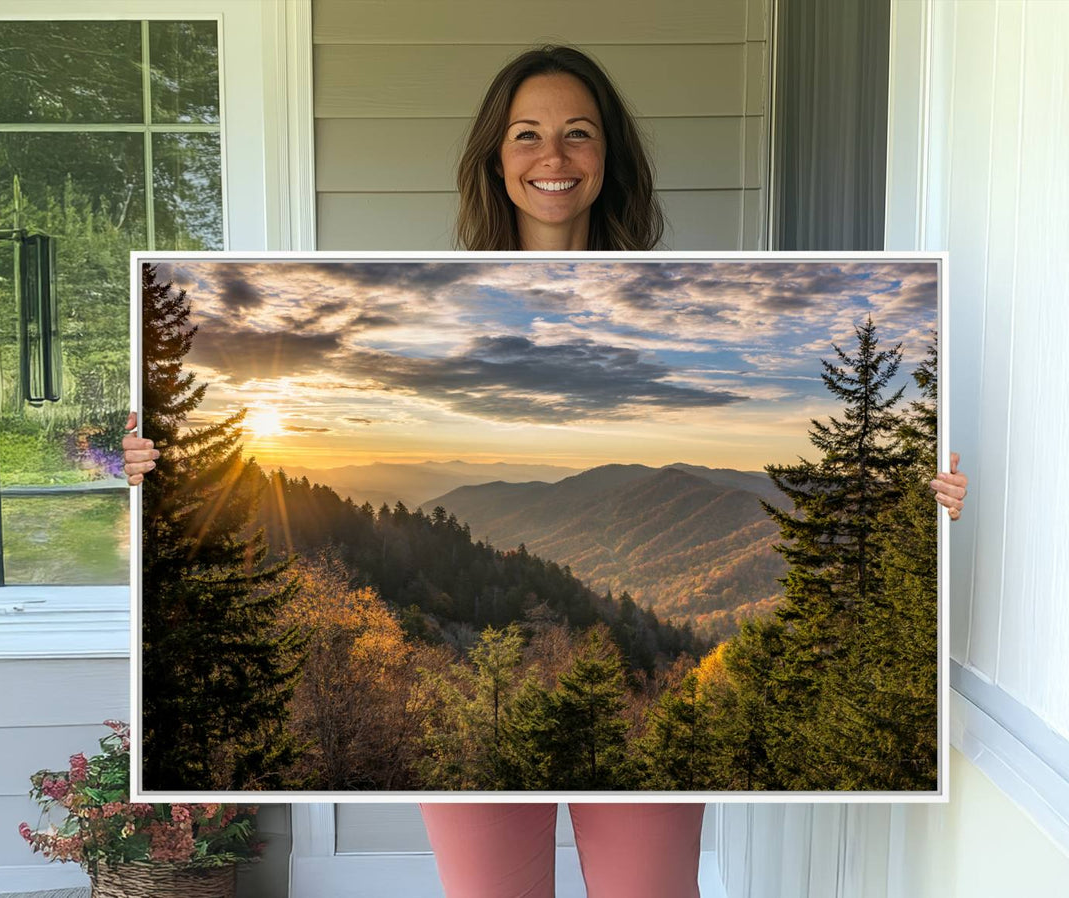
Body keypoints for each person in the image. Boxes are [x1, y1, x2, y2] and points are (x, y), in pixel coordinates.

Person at [122, 44, 967, 898]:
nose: (552, 157)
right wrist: (159, 476)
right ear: (496, 157)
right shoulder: (437, 295)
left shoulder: (679, 290)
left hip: (632, 738)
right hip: (481, 726)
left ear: (609, 159)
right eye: (527, 134)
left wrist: (916, 506)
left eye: (578, 134)